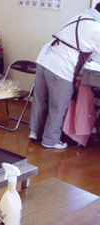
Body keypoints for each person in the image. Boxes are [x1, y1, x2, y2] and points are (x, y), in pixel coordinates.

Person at [29, 3, 100, 149]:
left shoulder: (80, 17)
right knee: (58, 106)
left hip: (45, 59)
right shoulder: (97, 29)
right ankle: (50, 140)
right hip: (61, 67)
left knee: (40, 100)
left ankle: (35, 131)